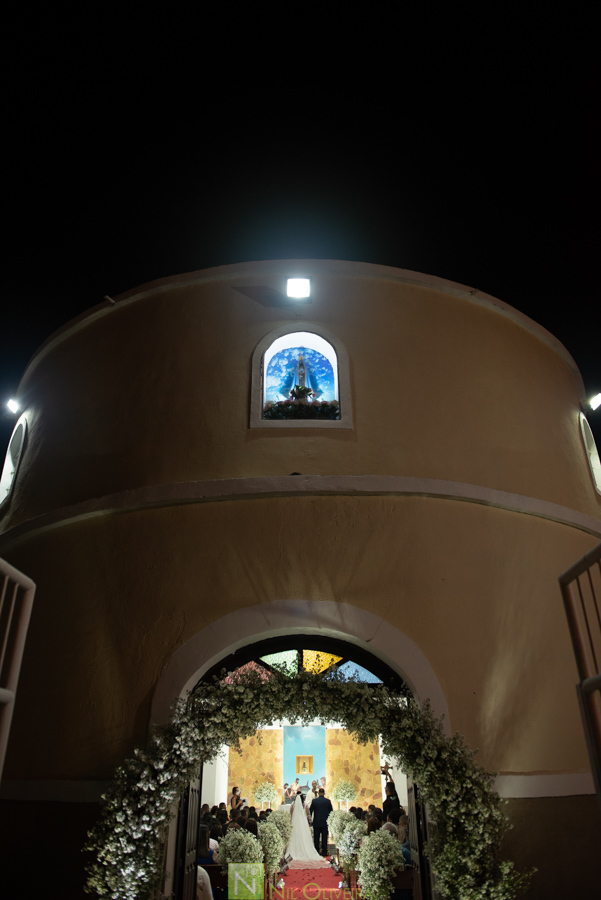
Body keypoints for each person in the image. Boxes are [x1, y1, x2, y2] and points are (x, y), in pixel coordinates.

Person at [286, 793, 324, 862]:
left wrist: (290, 821)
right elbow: (308, 814)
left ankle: (296, 850)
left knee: (295, 837)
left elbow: (290, 814)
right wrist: (310, 821)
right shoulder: (305, 804)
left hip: (295, 822)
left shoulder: (293, 804)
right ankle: (305, 850)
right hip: (303, 823)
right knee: (304, 836)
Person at [309, 787, 333, 857]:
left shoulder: (314, 801)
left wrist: (310, 820)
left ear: (319, 793)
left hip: (316, 822)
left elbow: (310, 811)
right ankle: (324, 851)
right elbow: (331, 812)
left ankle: (316, 851)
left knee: (316, 837)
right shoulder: (328, 801)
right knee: (324, 837)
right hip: (325, 822)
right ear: (324, 793)